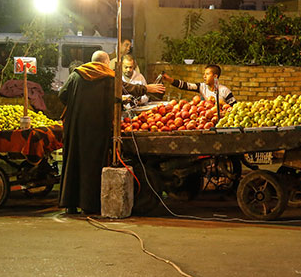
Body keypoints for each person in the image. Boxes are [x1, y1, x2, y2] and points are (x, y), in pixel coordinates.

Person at [58, 50, 164, 214]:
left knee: (74, 161)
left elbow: (62, 95)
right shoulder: (108, 76)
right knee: (93, 164)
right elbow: (127, 89)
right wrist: (147, 88)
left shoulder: (76, 75)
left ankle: (70, 203)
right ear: (106, 63)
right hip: (98, 128)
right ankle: (89, 204)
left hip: (76, 127)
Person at [162, 64, 237, 105]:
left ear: (215, 76)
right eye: (204, 74)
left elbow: (234, 107)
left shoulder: (225, 91)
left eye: (207, 74)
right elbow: (186, 86)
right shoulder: (202, 87)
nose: (204, 76)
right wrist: (169, 79)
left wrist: (223, 104)